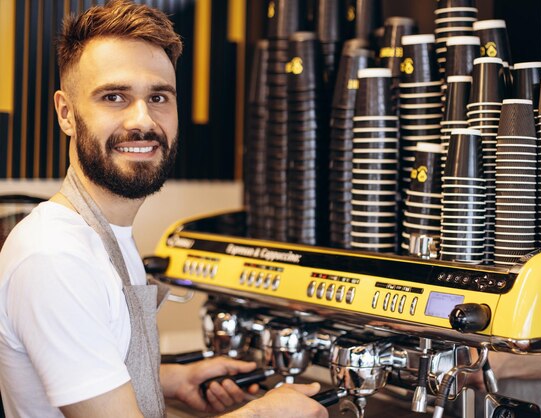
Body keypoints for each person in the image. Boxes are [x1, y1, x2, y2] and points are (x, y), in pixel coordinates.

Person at [0, 1, 328, 417]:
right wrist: (265, 413)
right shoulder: (55, 257)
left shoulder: (103, 237)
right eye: (114, 96)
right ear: (66, 113)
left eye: (158, 96)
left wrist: (165, 378)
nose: (143, 120)